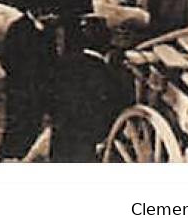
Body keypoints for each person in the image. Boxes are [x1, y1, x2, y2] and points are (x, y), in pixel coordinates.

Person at [49, 16, 133, 162]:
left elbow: (50, 98)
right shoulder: (106, 75)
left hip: (61, 140)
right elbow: (118, 108)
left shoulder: (64, 64)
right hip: (88, 144)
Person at [0, 9, 55, 160]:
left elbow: (51, 59)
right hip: (19, 88)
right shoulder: (18, 28)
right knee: (17, 123)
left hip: (38, 88)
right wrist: (20, 75)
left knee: (33, 123)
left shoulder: (47, 31)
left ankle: (24, 155)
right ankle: (8, 156)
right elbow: (6, 58)